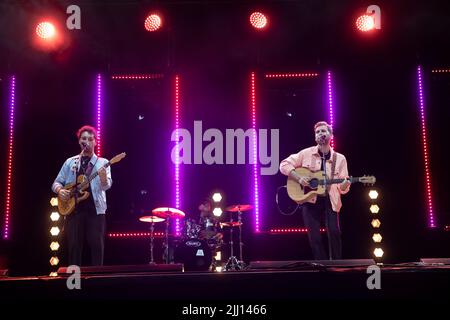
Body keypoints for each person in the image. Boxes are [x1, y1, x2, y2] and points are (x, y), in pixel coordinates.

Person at [279, 121, 351, 260]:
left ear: (330, 135)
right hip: (310, 199)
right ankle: (322, 266)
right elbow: (284, 164)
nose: (320, 134)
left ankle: (337, 265)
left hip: (330, 199)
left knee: (334, 232)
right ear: (315, 137)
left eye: (323, 131)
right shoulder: (306, 153)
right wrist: (299, 178)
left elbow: (344, 188)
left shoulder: (340, 158)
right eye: (317, 132)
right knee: (314, 237)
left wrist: (344, 184)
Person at [51, 125, 112, 266]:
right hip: (74, 210)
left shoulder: (103, 162)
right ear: (79, 142)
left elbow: (106, 186)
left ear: (96, 142)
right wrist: (60, 191)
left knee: (97, 247)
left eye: (91, 139)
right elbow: (56, 183)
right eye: (84, 138)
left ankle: (97, 283)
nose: (87, 141)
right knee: (74, 248)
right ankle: (75, 285)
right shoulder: (70, 162)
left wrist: (103, 177)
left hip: (96, 211)